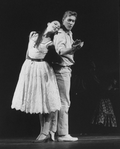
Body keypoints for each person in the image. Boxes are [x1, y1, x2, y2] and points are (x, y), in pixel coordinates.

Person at [11, 21, 61, 142]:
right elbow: (28, 53)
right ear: (48, 23)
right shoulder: (33, 34)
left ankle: (46, 131)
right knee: (39, 102)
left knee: (46, 101)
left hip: (42, 69)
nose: (56, 27)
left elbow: (58, 57)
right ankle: (42, 131)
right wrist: (26, 68)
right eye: (55, 24)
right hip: (30, 67)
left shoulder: (50, 42)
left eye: (58, 27)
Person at [53, 11, 84, 141]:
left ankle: (56, 132)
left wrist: (73, 46)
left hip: (65, 69)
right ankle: (62, 133)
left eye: (73, 21)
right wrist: (73, 49)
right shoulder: (60, 33)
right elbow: (59, 51)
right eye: (69, 20)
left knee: (61, 101)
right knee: (64, 101)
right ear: (63, 19)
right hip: (61, 69)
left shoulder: (68, 33)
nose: (71, 23)